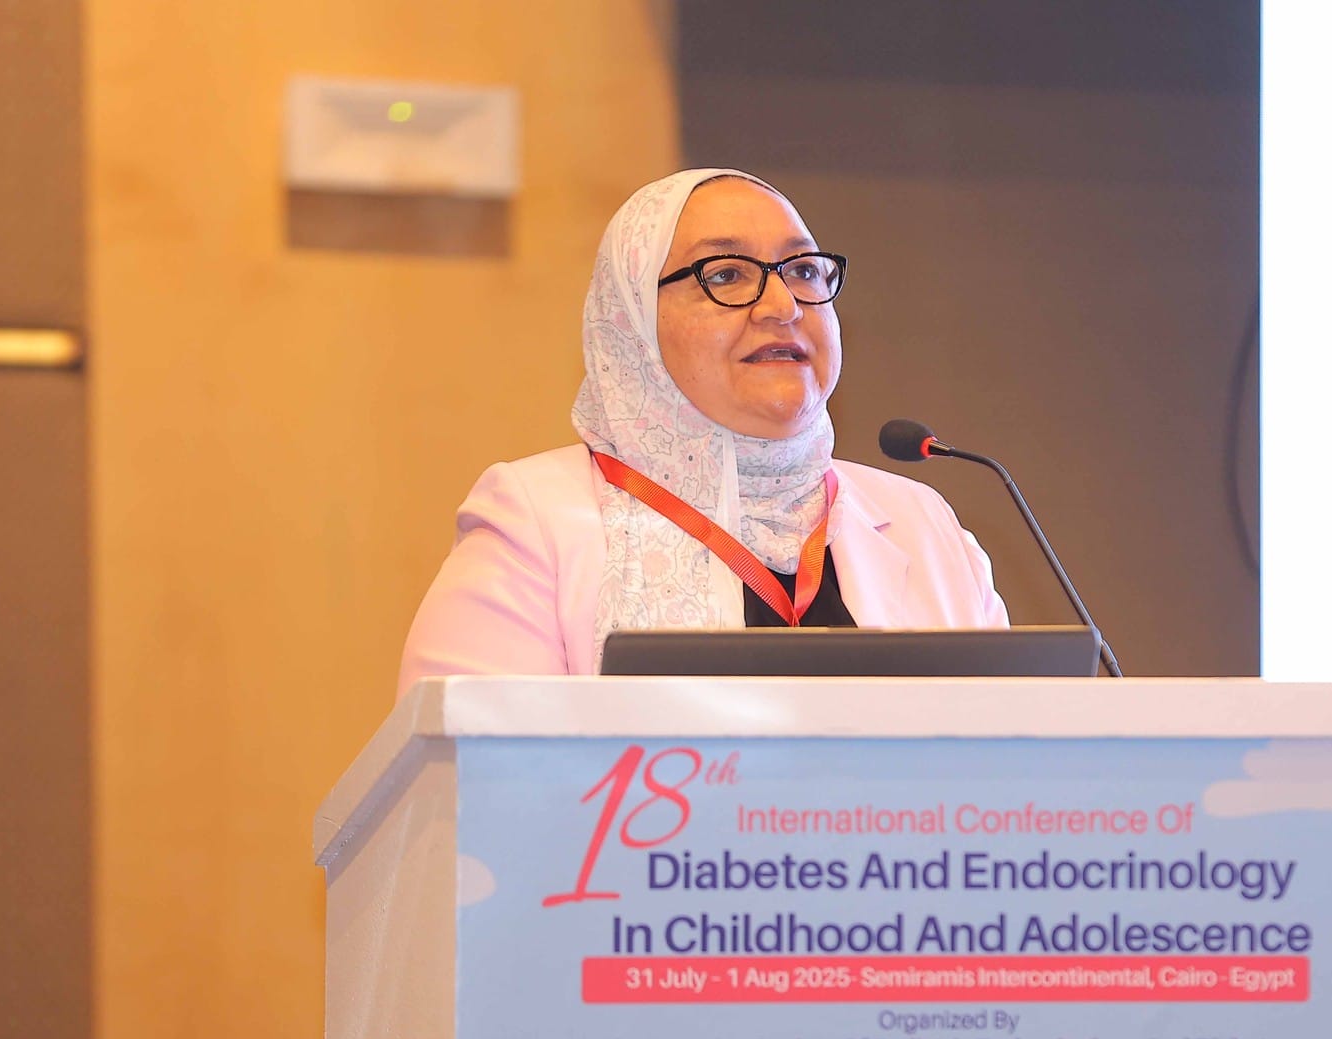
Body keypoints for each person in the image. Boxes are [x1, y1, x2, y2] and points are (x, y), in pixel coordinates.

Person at [397, 168, 1009, 696]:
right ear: (633, 321)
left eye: (802, 270)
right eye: (726, 275)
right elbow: (470, 779)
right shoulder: (534, 523)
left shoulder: (924, 524)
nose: (783, 306)